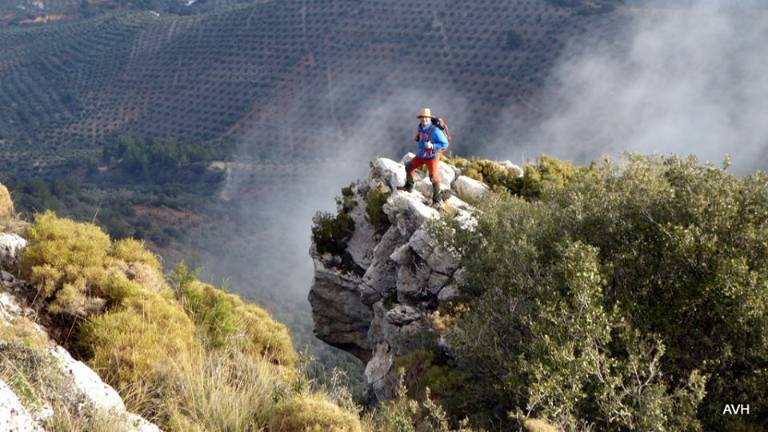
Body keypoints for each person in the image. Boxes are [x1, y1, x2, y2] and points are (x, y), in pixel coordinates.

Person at [398, 108, 450, 204]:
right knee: (409, 167)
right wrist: (418, 138)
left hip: (432, 156)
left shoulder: (435, 131)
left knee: (434, 177)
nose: (424, 119)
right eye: (422, 118)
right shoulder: (420, 127)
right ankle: (409, 186)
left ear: (429, 118)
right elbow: (421, 136)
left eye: (426, 118)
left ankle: (437, 200)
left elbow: (445, 144)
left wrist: (432, 146)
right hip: (421, 155)